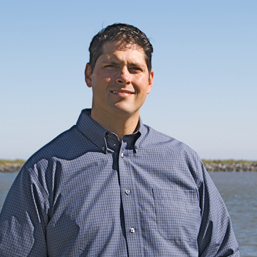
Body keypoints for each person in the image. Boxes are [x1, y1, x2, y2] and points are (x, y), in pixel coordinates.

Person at [0, 23, 239, 256]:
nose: (123, 77)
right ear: (88, 74)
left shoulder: (184, 162)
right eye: (111, 66)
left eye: (135, 68)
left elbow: (222, 250)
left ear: (150, 80)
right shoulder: (43, 171)